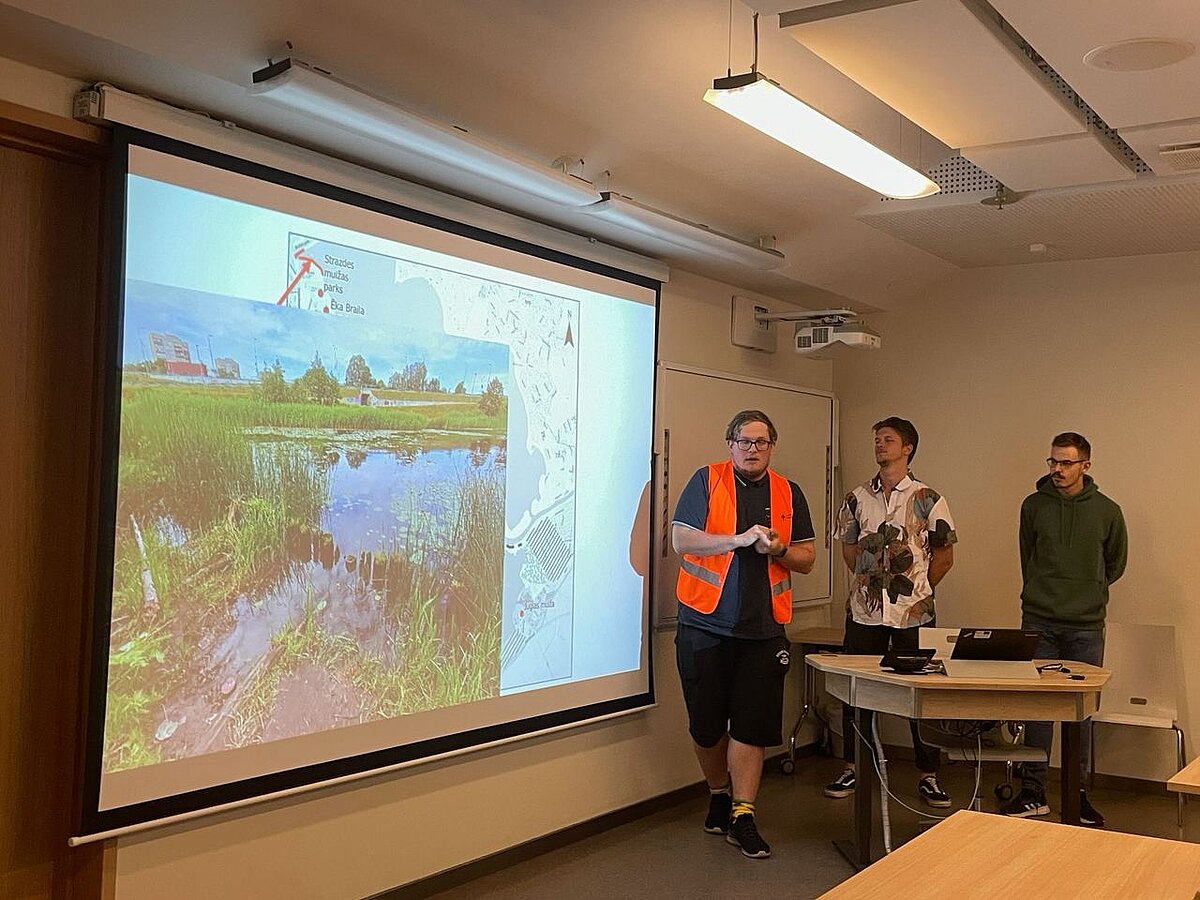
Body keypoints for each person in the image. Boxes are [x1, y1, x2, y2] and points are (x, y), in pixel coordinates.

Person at [673, 409, 816, 859]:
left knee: (751, 728)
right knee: (706, 725)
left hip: (764, 630)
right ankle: (718, 791)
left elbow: (808, 558)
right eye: (744, 441)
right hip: (704, 624)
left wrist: (779, 549)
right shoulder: (706, 480)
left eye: (761, 442)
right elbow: (681, 540)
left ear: (772, 447)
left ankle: (743, 813)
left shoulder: (788, 491)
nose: (752, 449)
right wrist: (735, 540)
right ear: (730, 443)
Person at [824, 416, 957, 808]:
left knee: (921, 694)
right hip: (864, 614)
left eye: (888, 439)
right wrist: (868, 584)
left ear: (908, 448)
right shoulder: (856, 497)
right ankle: (854, 765)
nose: (880, 445)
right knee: (855, 692)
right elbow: (848, 548)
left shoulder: (928, 497)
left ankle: (928, 774)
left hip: (912, 615)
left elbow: (945, 555)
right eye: (877, 439)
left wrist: (917, 590)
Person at [1000, 432, 1127, 827]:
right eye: (1053, 462)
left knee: (1080, 714)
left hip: (1086, 626)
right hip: (1039, 620)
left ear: (1085, 466)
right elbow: (1028, 557)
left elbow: (1115, 564)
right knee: (1038, 710)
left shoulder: (1107, 511)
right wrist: (1042, 592)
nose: (1056, 469)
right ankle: (1033, 793)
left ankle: (1077, 795)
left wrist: (1087, 592)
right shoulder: (1033, 506)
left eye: (1066, 463)